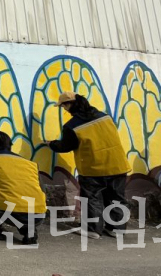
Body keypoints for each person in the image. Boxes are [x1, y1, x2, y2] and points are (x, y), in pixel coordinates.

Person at [45, 91, 129, 239]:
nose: (64, 109)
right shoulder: (104, 116)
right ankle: (116, 229)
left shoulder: (72, 126)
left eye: (63, 106)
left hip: (93, 167)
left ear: (70, 104)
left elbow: (65, 146)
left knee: (92, 198)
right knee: (116, 197)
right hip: (117, 164)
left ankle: (93, 229)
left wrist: (51, 144)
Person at [0, 131, 46, 244]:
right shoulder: (29, 163)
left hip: (8, 212)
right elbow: (42, 189)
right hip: (38, 214)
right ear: (10, 144)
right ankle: (29, 230)